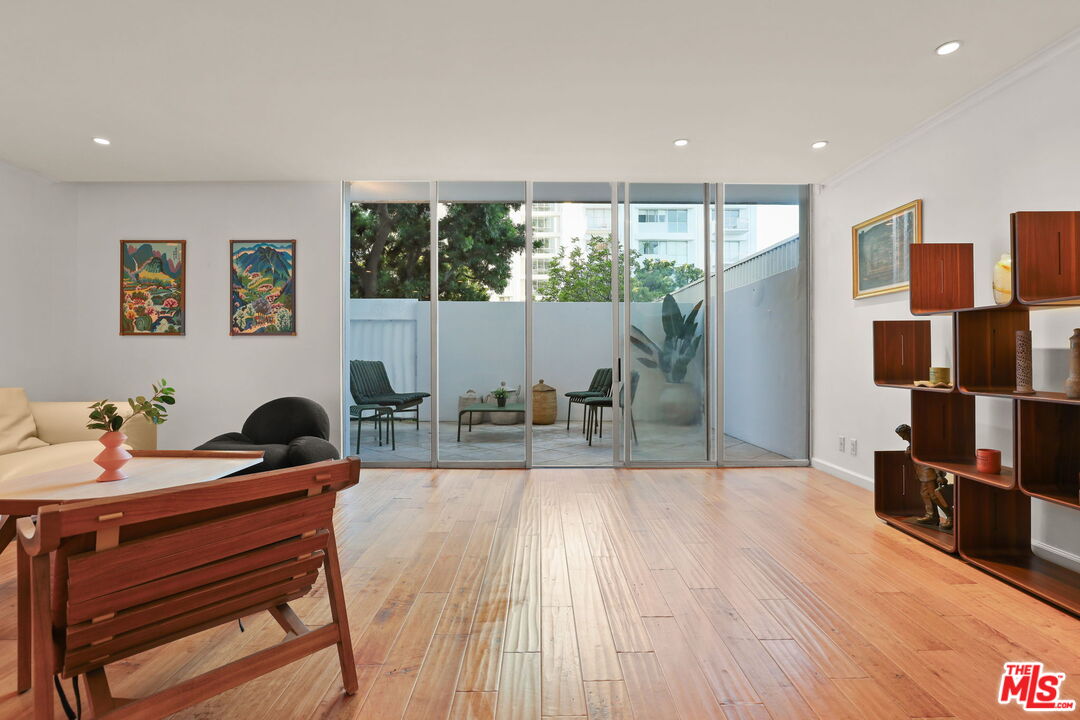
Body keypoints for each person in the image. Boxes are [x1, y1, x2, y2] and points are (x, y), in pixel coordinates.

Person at [894, 424, 953, 530]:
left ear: (908, 432)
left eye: (902, 435)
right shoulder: (912, 443)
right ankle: (932, 516)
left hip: (929, 472)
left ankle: (951, 517)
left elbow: (933, 458)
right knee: (925, 494)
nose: (902, 438)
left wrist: (939, 474)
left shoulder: (922, 442)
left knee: (935, 496)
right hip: (923, 473)